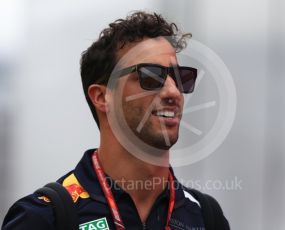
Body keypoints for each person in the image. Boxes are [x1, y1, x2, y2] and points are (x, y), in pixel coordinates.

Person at [2, 11, 230, 230]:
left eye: (180, 78)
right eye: (150, 76)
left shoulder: (205, 216)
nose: (173, 92)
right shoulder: (43, 216)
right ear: (102, 97)